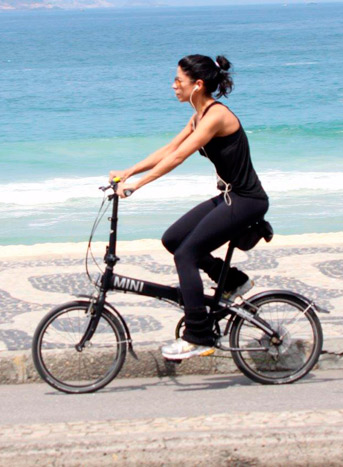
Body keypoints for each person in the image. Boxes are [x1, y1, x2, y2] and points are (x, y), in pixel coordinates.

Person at [109, 54, 269, 360]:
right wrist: (128, 172)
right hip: (229, 196)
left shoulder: (216, 116)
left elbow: (179, 157)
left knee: (187, 253)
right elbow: (170, 148)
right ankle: (233, 280)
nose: (173, 86)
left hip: (247, 201)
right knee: (173, 240)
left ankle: (198, 334)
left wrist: (137, 186)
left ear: (197, 85)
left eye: (178, 80)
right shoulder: (198, 115)